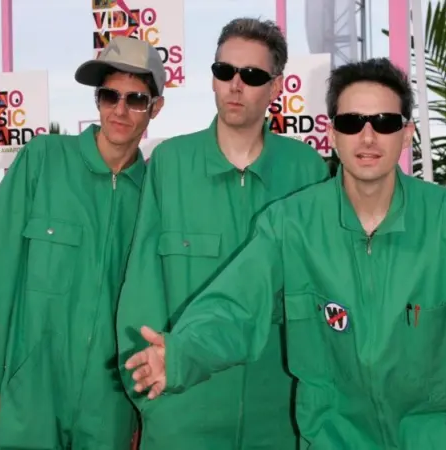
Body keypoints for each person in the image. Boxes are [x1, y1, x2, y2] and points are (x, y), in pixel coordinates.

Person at [124, 58, 446, 449]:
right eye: (351, 122)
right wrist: (182, 353)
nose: (367, 136)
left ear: (406, 134)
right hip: (332, 439)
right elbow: (236, 305)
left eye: (384, 122)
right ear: (332, 135)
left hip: (429, 438)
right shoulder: (291, 225)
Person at [115, 17, 329, 450]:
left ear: (275, 86)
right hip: (180, 415)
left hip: (280, 419)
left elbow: (324, 291)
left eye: (252, 75)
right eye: (224, 71)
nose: (235, 85)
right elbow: (141, 288)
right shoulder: (170, 163)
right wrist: (152, 401)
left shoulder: (307, 170)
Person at [0, 36, 166, 449]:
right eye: (109, 96)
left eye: (136, 99)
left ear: (155, 108)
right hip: (29, 391)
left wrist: (140, 407)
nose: (120, 110)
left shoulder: (154, 194)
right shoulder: (43, 159)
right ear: (98, 100)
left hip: (110, 401)